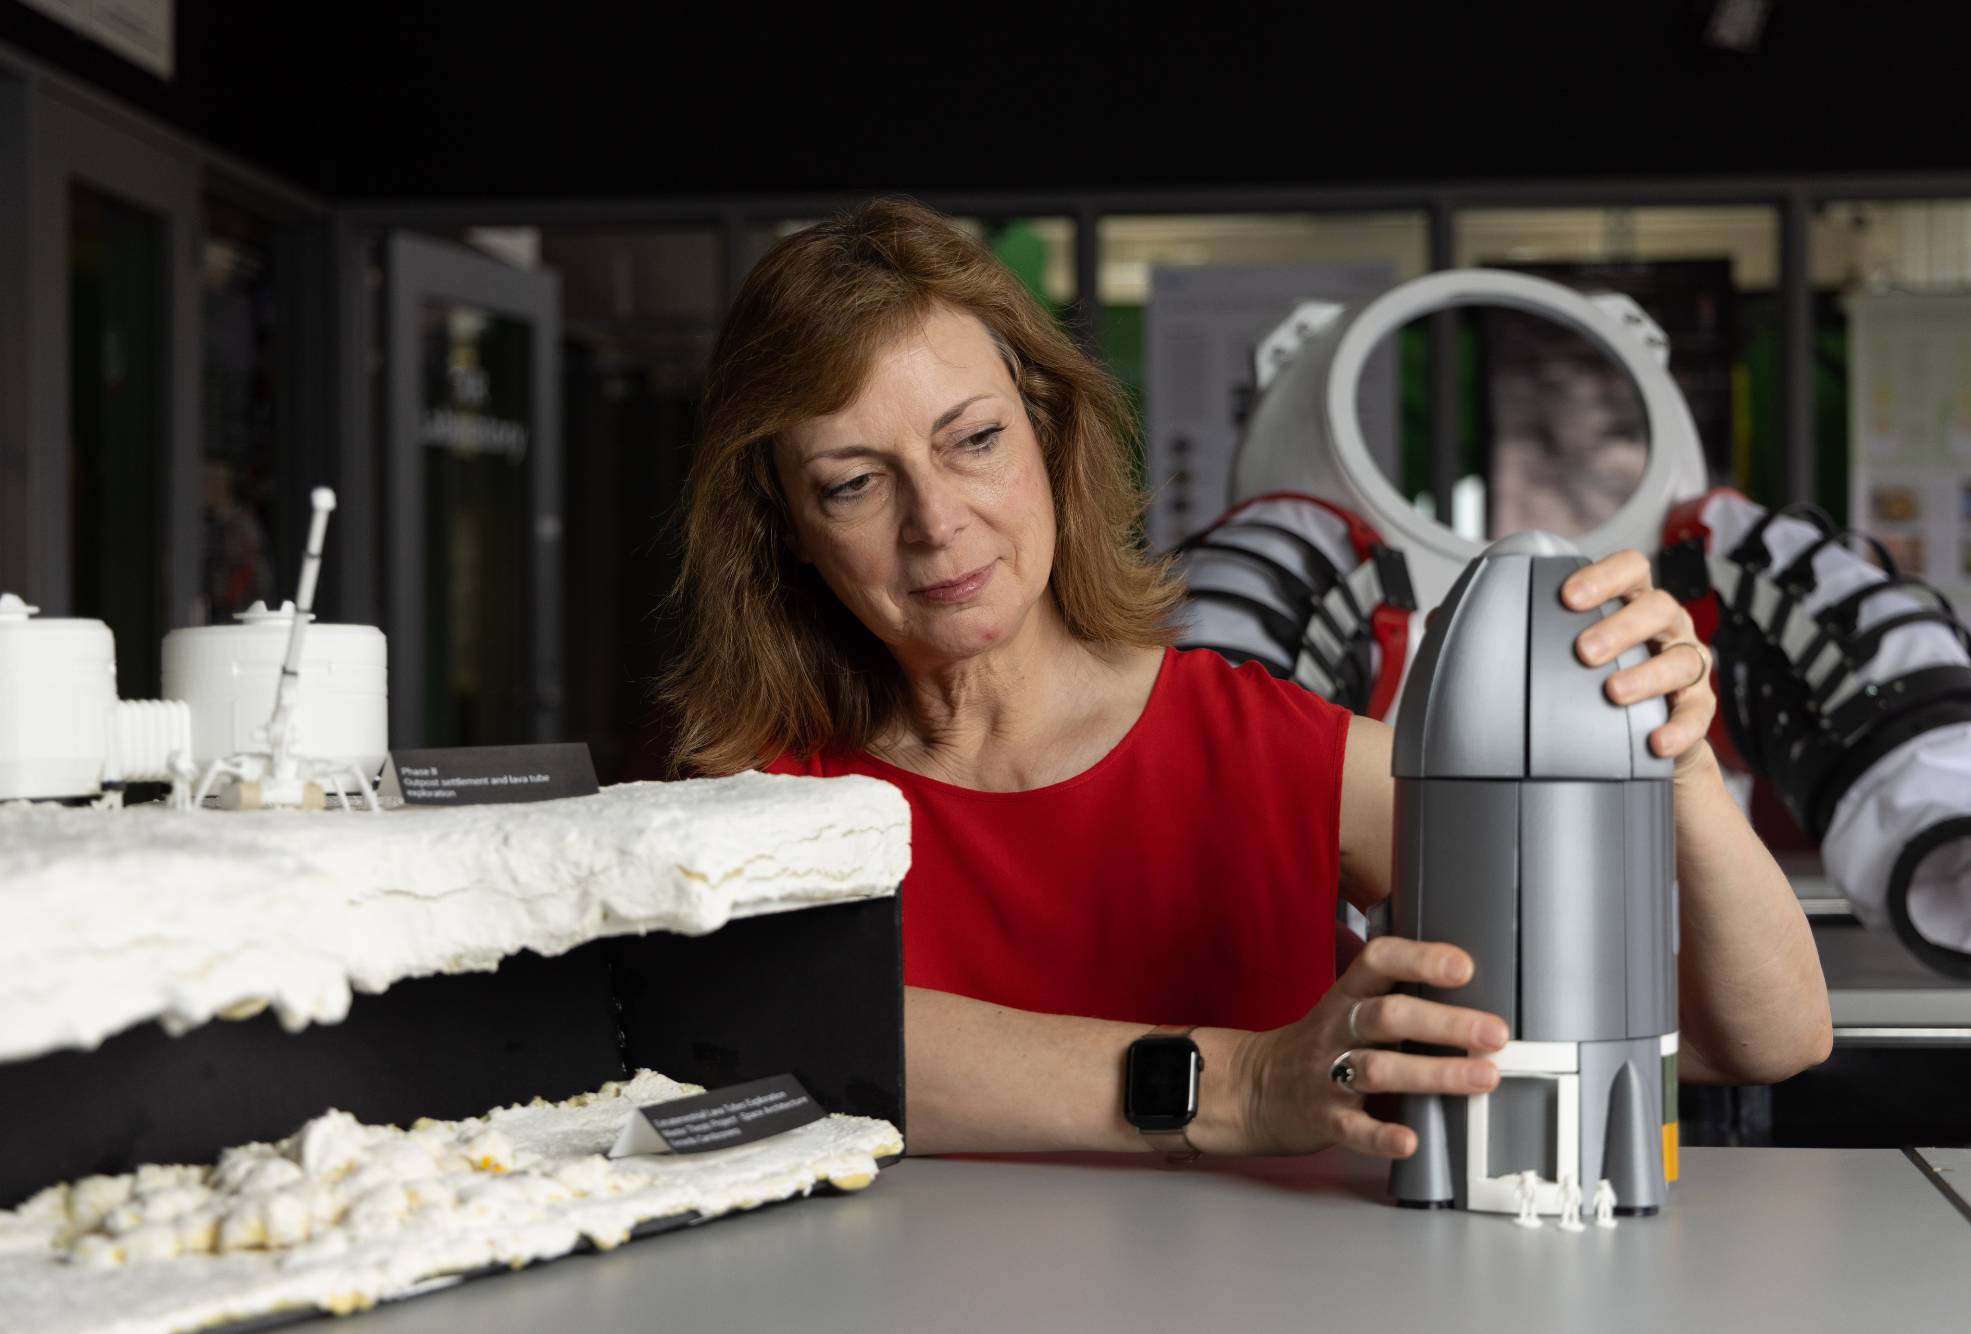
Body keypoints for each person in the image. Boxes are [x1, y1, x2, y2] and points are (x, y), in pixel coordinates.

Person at [658, 197, 1832, 1162]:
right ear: (783, 527)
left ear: (1049, 434)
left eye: (973, 439)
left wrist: (1666, 761)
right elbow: (775, 1045)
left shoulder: (1268, 752)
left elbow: (1762, 1036)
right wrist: (1239, 1082)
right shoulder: (753, 804)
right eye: (853, 482)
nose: (936, 522)